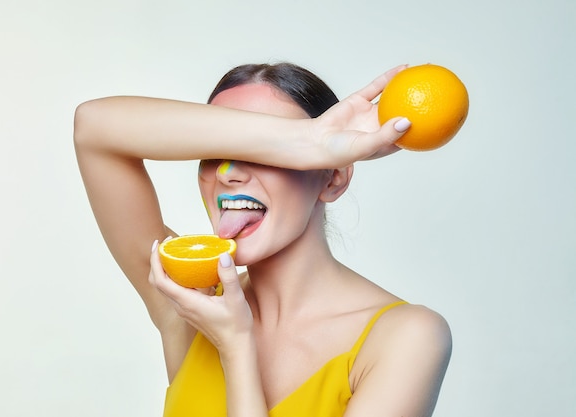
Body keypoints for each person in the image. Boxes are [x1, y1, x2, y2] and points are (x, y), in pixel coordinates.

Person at [74, 62, 452, 417]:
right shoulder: (190, 301)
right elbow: (93, 126)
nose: (227, 173)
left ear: (333, 177)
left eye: (265, 154)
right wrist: (304, 139)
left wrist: (237, 348)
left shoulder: (407, 338)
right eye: (213, 152)